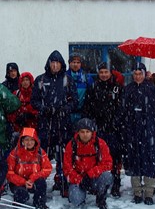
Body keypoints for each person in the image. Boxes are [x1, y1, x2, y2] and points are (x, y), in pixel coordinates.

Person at [31, 50, 78, 196]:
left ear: (61, 64)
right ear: (49, 64)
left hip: (62, 124)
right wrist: (43, 109)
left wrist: (65, 109)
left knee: (63, 155)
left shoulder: (67, 79)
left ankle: (62, 181)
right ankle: (40, 184)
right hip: (45, 123)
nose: (55, 65)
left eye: (57, 63)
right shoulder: (40, 79)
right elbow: (34, 101)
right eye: (53, 63)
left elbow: (75, 101)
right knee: (42, 155)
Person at [119, 62, 155, 205]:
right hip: (132, 130)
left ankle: (149, 192)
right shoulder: (128, 90)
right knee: (135, 161)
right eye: (135, 74)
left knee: (149, 161)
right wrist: (124, 126)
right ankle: (137, 191)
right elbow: (122, 111)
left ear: (145, 74)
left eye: (140, 74)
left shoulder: (153, 89)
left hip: (149, 130)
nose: (138, 76)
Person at [83, 62, 124, 197]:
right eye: (101, 72)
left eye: (106, 72)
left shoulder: (117, 88)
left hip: (113, 128)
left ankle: (116, 183)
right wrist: (92, 124)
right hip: (98, 129)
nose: (104, 75)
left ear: (110, 72)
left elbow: (121, 108)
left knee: (114, 156)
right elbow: (87, 107)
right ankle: (99, 183)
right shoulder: (93, 87)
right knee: (98, 157)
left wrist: (116, 123)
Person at [63, 118, 113, 209]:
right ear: (78, 132)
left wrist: (90, 174)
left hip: (94, 177)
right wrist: (79, 180)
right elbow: (67, 168)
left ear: (92, 132)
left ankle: (101, 197)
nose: (85, 134)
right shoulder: (71, 145)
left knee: (107, 176)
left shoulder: (100, 143)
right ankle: (81, 195)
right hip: (78, 179)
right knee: (76, 200)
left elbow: (107, 163)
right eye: (82, 132)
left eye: (87, 131)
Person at [6, 127, 52, 209]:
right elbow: (9, 173)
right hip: (18, 183)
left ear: (35, 141)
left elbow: (47, 169)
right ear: (22, 141)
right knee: (21, 195)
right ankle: (18, 201)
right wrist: (23, 182)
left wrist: (33, 178)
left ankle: (39, 202)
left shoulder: (40, 152)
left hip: (34, 181)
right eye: (26, 140)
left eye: (32, 140)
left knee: (41, 183)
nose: (29, 142)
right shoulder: (15, 153)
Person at [66, 53, 92, 124]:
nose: (75, 64)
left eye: (78, 62)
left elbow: (91, 94)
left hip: (82, 114)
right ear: (69, 63)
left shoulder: (86, 77)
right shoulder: (64, 77)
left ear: (81, 64)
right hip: (67, 114)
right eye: (73, 62)